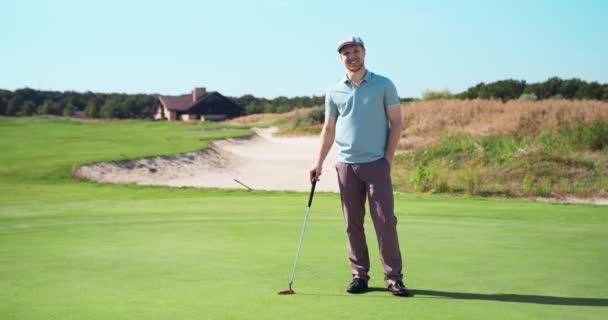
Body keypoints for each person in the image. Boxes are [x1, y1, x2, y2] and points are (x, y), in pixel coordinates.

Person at [309, 36, 410, 297]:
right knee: (353, 223)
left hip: (376, 163)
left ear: (364, 52)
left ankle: (393, 277)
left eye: (355, 51)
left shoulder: (384, 84)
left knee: (385, 221)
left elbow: (397, 123)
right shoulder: (334, 90)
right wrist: (318, 162)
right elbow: (328, 128)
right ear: (340, 57)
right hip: (346, 164)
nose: (352, 56)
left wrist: (387, 158)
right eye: (346, 53)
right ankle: (359, 275)